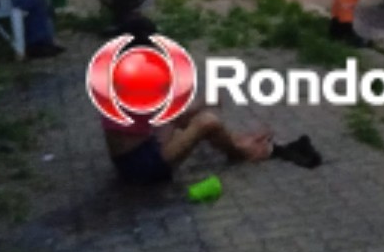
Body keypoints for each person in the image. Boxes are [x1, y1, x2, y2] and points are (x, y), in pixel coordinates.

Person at [102, 17, 274, 185]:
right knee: (207, 122)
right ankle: (243, 153)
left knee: (190, 119)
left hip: (131, 157)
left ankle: (235, 141)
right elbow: (176, 115)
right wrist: (204, 101)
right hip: (143, 167)